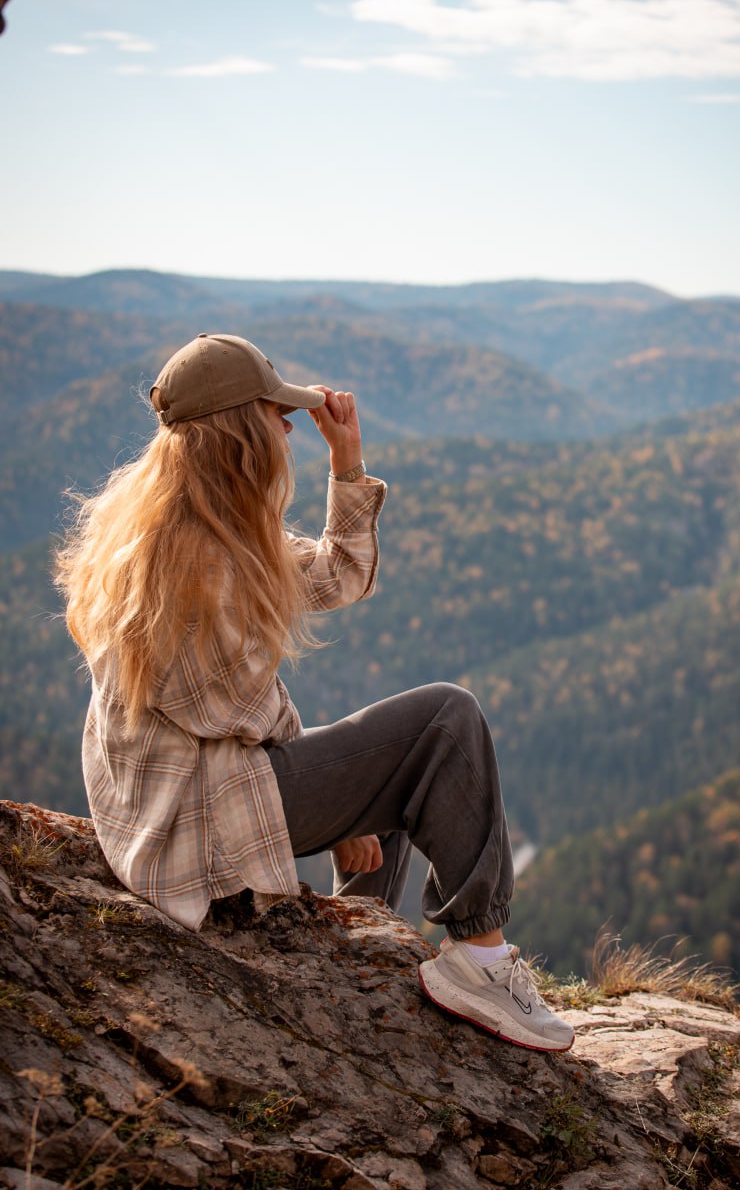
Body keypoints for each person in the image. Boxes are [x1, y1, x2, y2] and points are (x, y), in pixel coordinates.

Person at [55, 333, 575, 1054]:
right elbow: (233, 712)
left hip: (180, 804)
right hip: (188, 824)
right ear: (242, 429)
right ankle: (481, 958)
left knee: (395, 763)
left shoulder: (193, 522)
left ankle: (355, 936)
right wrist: (332, 803)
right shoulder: (191, 556)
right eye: (276, 413)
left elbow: (339, 576)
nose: (290, 426)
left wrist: (347, 463)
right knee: (443, 722)